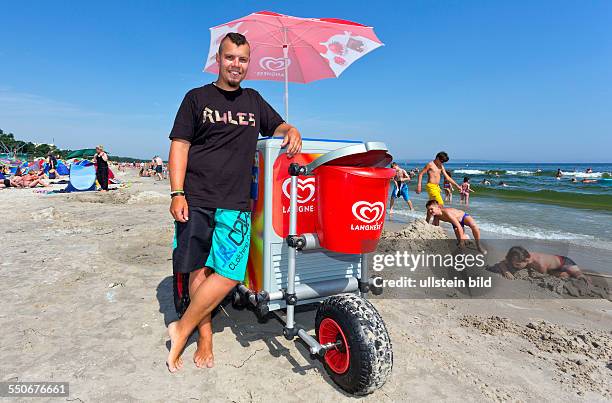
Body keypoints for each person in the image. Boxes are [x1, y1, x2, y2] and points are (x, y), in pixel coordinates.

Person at [166, 32, 302, 373]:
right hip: (195, 197)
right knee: (198, 269)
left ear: (248, 63)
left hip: (236, 202)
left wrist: (291, 128)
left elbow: (278, 125)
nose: (236, 65)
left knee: (228, 274)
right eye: (230, 58)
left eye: (242, 60)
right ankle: (205, 335)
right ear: (219, 59)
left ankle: (182, 328)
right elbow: (180, 145)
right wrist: (176, 192)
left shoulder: (254, 100)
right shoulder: (196, 98)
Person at [498, 246, 588, 282]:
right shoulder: (518, 257)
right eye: (514, 264)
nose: (514, 266)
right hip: (553, 260)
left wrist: (559, 274)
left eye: (517, 265)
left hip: (564, 262)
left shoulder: (539, 263)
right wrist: (506, 272)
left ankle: (587, 279)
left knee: (579, 276)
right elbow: (502, 263)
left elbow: (546, 274)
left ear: (527, 260)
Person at [416, 151, 460, 223]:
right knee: (440, 206)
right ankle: (436, 224)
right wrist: (419, 185)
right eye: (441, 160)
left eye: (443, 161)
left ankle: (427, 221)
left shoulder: (441, 166)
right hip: (431, 186)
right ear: (437, 158)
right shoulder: (430, 164)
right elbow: (420, 174)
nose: (442, 162)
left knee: (432, 205)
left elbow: (447, 178)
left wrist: (457, 186)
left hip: (437, 187)